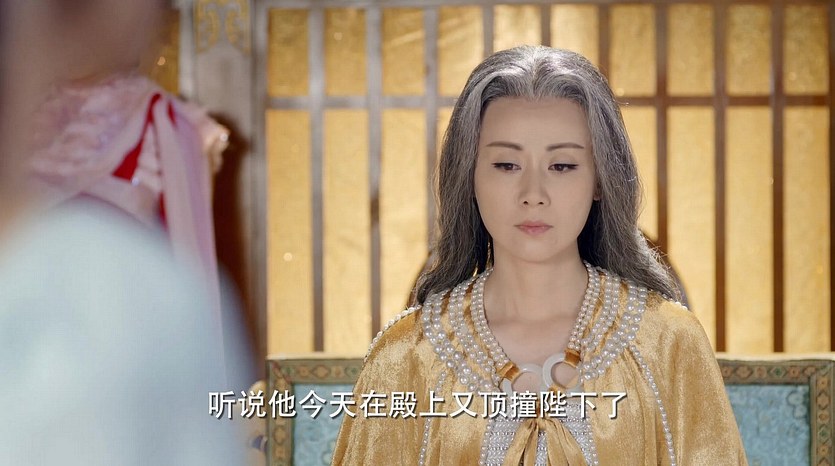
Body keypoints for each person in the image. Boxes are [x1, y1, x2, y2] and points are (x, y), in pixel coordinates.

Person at [332, 46, 746, 465]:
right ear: (469, 176)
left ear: (599, 178)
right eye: (506, 165)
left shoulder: (669, 343)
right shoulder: (405, 355)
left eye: (562, 166)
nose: (533, 194)